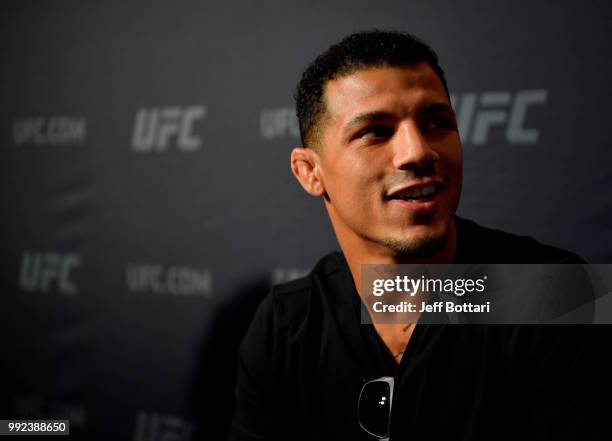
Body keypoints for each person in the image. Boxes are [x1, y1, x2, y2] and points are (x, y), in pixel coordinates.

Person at [228, 31, 604, 440]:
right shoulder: (287, 324)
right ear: (310, 173)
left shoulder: (557, 296)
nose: (419, 151)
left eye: (437, 122)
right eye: (375, 131)